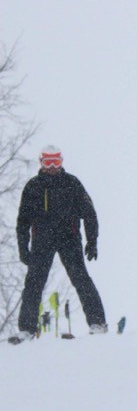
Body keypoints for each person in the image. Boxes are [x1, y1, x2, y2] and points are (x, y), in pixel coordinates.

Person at [11, 146, 107, 343]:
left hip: (68, 238)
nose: (52, 166)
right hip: (42, 241)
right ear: (41, 163)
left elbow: (89, 213)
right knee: (33, 283)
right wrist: (23, 247)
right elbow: (23, 221)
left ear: (62, 162)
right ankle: (27, 330)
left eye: (56, 162)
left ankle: (97, 323)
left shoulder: (72, 183)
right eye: (48, 162)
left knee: (81, 279)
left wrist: (92, 241)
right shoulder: (33, 186)